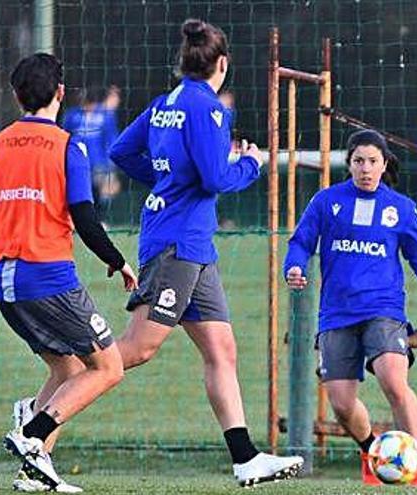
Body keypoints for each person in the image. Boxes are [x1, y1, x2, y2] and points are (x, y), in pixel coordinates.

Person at [107, 19, 303, 487]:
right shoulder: (208, 109)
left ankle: (245, 458)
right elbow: (217, 178)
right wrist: (251, 165)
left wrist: (166, 178)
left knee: (222, 349)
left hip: (194, 245)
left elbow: (120, 151)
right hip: (178, 243)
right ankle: (43, 409)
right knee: (138, 349)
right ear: (222, 63)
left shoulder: (165, 103)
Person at [0, 53, 138, 492]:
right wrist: (117, 261)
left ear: (16, 96)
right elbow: (84, 218)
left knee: (68, 370)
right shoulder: (67, 147)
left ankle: (35, 473)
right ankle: (32, 434)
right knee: (108, 366)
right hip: (50, 280)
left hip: (9, 284)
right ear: (60, 94)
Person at [284, 129, 417, 487]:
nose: (365, 168)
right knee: (340, 401)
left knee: (393, 380)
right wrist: (295, 265)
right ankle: (372, 453)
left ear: (384, 165)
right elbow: (301, 241)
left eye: (372, 161)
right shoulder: (326, 202)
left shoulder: (400, 208)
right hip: (336, 313)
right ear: (348, 164)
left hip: (384, 309)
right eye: (358, 161)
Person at [62, 85, 121, 223]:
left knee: (100, 192)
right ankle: (75, 221)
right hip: (77, 161)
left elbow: (111, 137)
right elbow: (64, 135)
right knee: (78, 192)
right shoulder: (72, 115)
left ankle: (100, 220)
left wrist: (111, 160)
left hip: (98, 161)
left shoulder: (105, 115)